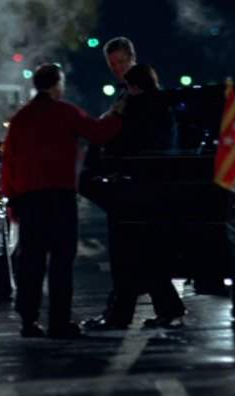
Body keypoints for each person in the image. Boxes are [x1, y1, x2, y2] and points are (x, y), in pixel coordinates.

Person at [1, 63, 122, 339]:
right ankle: (59, 321)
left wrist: (12, 201)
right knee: (61, 262)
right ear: (57, 85)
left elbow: (9, 162)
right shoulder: (66, 112)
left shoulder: (21, 118)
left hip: (29, 199)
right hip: (59, 197)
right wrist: (117, 113)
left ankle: (29, 321)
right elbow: (98, 133)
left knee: (31, 262)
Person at [96, 64, 187, 329]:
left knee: (130, 256)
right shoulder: (165, 107)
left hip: (133, 189)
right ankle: (166, 308)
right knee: (148, 255)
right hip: (159, 188)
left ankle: (123, 315)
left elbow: (113, 140)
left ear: (134, 86)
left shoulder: (135, 109)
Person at [80, 37, 141, 330]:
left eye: (121, 62)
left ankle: (119, 314)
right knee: (138, 253)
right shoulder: (127, 93)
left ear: (132, 58)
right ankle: (167, 307)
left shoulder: (138, 94)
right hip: (125, 180)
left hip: (131, 183)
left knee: (126, 252)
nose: (118, 69)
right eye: (113, 64)